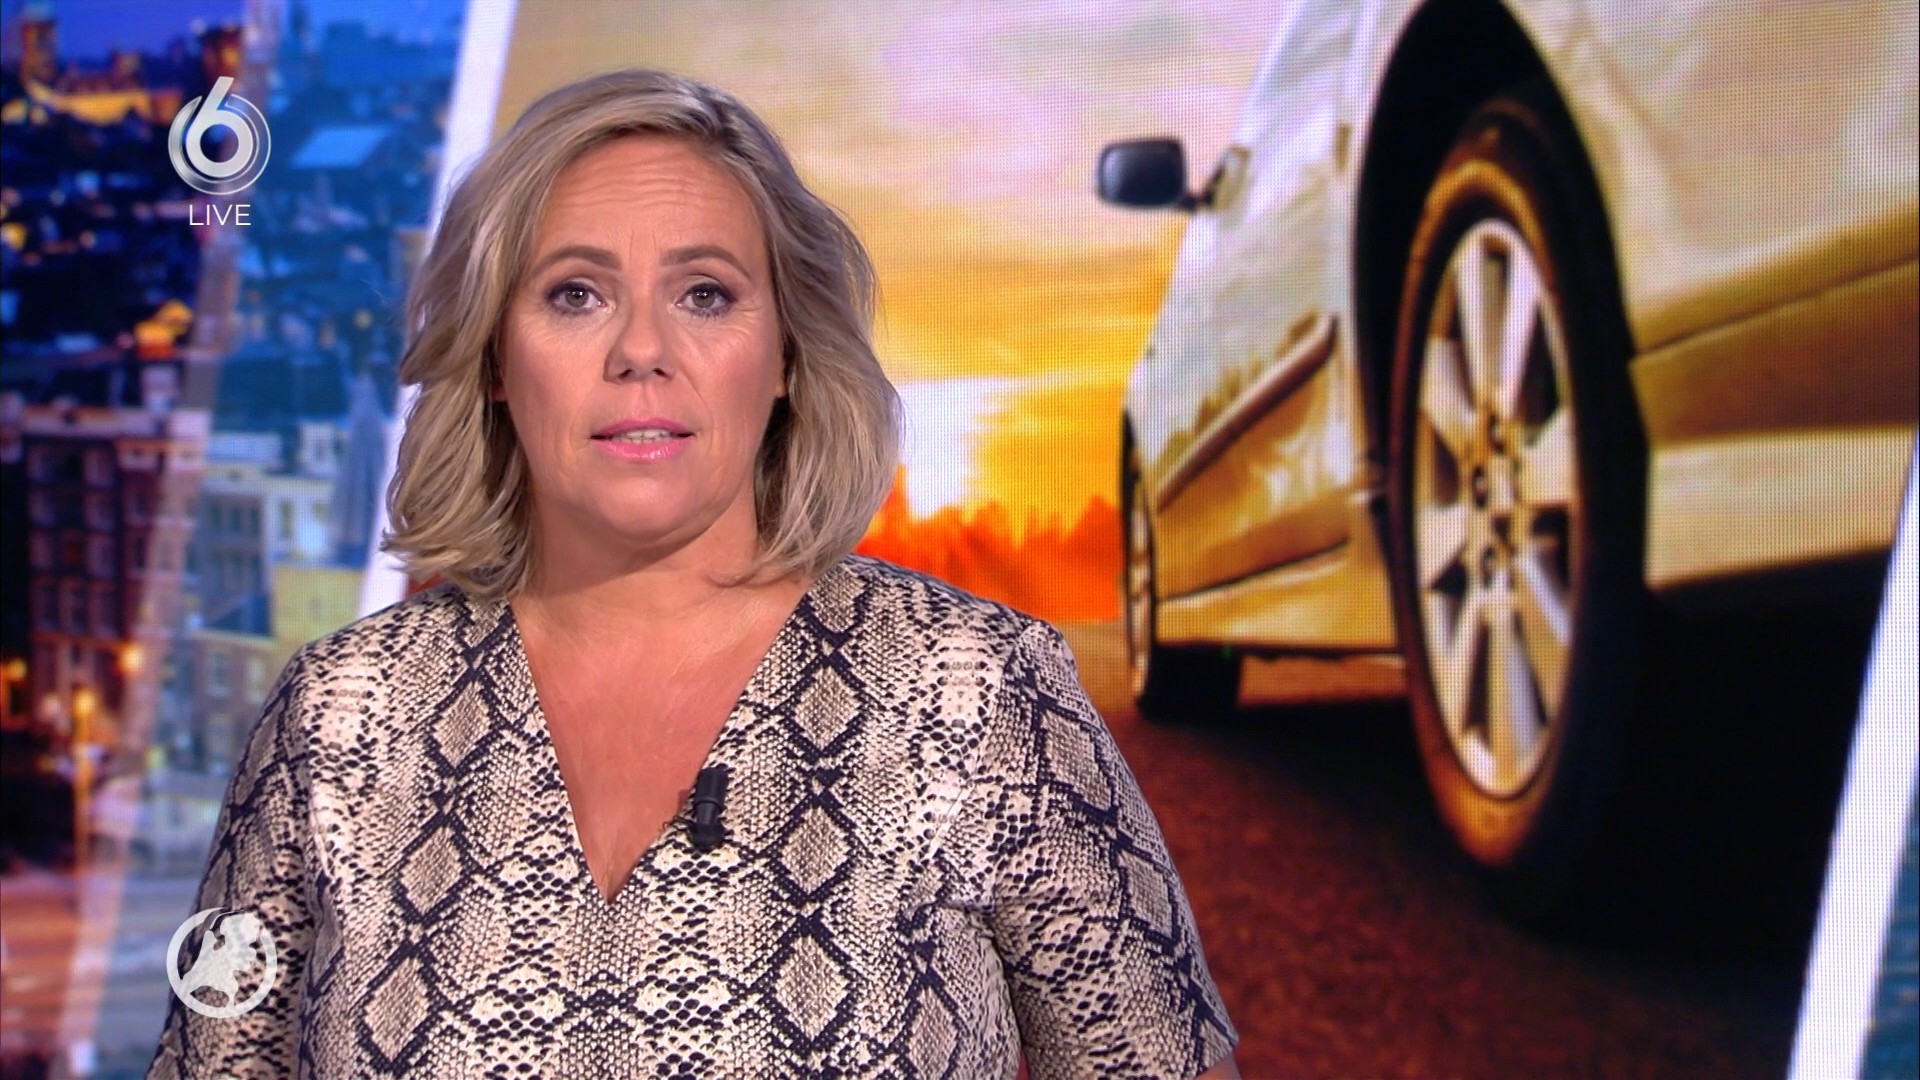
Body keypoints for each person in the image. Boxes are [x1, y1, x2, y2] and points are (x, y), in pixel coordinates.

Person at [147, 68, 1240, 1079]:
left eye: (706, 295)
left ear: (788, 355)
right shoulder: (338, 715)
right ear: (492, 358)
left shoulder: (977, 690)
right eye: (575, 294)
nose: (641, 350)